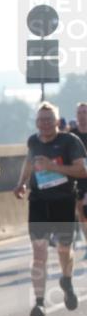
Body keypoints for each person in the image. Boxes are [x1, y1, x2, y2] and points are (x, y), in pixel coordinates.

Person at [13, 101, 87, 316]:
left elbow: (82, 171)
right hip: (38, 203)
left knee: (64, 249)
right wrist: (22, 183)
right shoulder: (33, 141)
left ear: (57, 121)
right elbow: (29, 162)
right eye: (40, 120)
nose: (44, 124)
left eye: (49, 120)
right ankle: (39, 303)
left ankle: (66, 279)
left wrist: (52, 167)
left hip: (63, 202)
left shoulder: (69, 142)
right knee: (39, 253)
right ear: (36, 122)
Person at [69, 102, 87, 258]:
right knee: (81, 214)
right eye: (79, 112)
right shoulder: (71, 136)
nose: (82, 115)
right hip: (77, 179)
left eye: (85, 112)